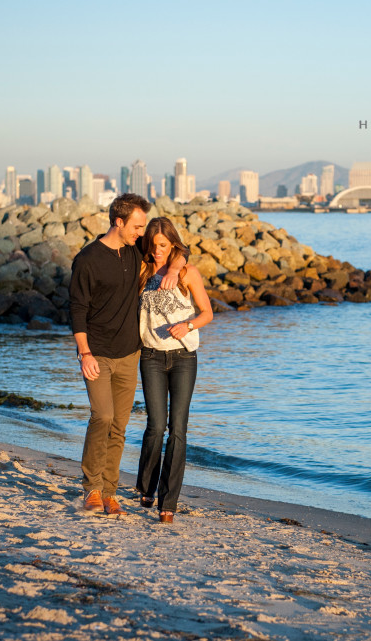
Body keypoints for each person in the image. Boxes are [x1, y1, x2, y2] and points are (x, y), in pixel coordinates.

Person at [69, 194, 183, 516]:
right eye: (137, 226)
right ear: (119, 222)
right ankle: (91, 488)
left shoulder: (135, 251)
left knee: (119, 425)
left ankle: (110, 492)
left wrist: (176, 266)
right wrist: (84, 353)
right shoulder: (88, 259)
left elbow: (177, 249)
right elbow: (76, 309)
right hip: (98, 354)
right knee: (101, 417)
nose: (141, 232)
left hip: (130, 353)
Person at [135, 217, 213, 523]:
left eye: (163, 246)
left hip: (184, 358)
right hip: (151, 356)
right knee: (156, 426)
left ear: (172, 244)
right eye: (153, 246)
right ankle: (146, 487)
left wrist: (188, 324)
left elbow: (207, 313)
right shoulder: (142, 270)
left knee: (178, 429)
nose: (157, 251)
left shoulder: (187, 273)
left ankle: (169, 503)